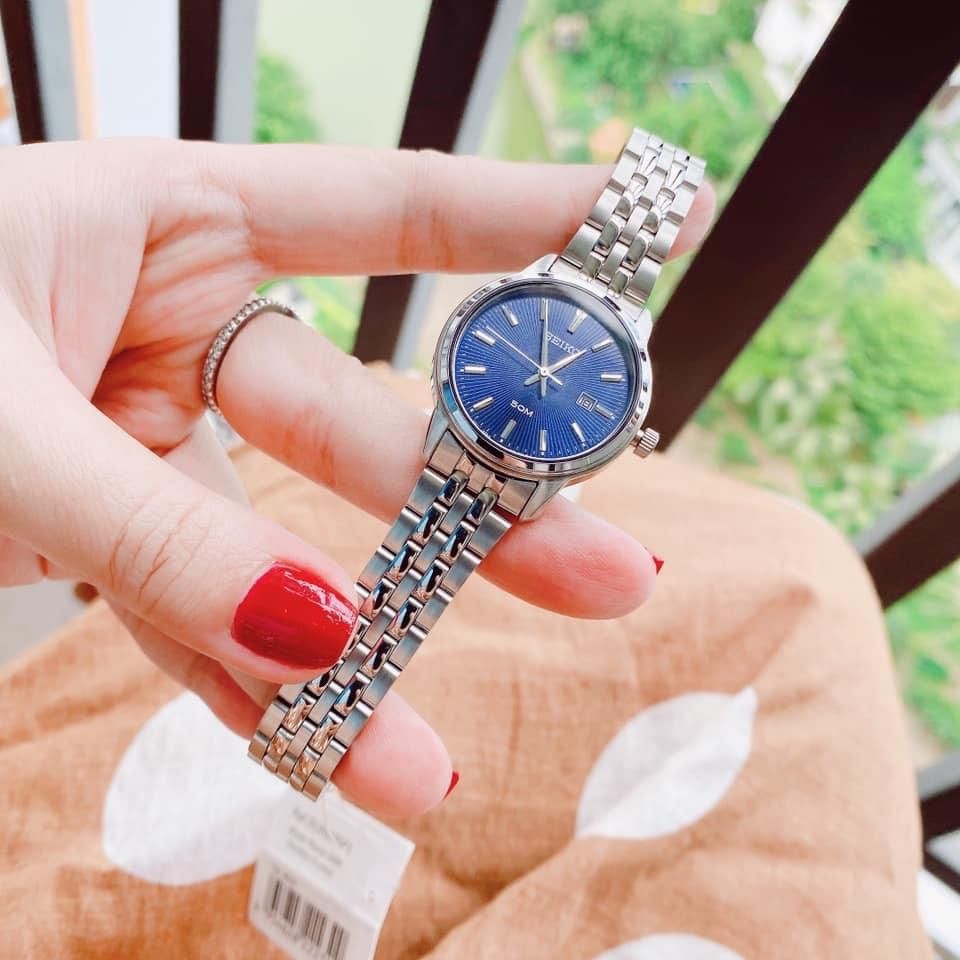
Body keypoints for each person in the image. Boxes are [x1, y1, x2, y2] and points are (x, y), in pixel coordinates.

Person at [0, 137, 713, 819]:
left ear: (628, 429)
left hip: (507, 464)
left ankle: (305, 737)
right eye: (538, 357)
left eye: (565, 377)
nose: (546, 375)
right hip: (460, 434)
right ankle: (304, 735)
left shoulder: (594, 368)